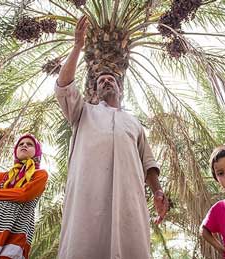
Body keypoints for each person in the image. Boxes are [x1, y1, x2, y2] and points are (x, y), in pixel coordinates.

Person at [54, 16, 169, 258]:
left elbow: (148, 163)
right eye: (100, 81)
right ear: (94, 92)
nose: (106, 81)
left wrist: (158, 191)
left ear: (120, 88)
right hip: (87, 194)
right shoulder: (83, 112)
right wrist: (77, 47)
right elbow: (63, 86)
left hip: (129, 197)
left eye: (111, 80)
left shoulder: (134, 122)